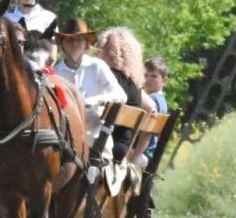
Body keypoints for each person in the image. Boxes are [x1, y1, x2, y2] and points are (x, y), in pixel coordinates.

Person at [52, 18, 126, 165]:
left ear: (86, 43)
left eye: (78, 40)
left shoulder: (97, 66)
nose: (74, 44)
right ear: (62, 44)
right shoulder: (56, 73)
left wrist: (97, 100)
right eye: (69, 40)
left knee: (99, 166)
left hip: (95, 131)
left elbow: (121, 96)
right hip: (66, 134)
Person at [97, 26, 160, 163]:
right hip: (121, 148)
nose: (97, 54)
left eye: (100, 49)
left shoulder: (107, 78)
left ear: (110, 53)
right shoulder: (135, 84)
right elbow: (151, 107)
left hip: (101, 146)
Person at [142, 55, 171, 164]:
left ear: (164, 80)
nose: (148, 79)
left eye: (154, 76)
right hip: (147, 153)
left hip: (142, 152)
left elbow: (147, 133)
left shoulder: (152, 100)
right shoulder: (161, 100)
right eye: (145, 75)